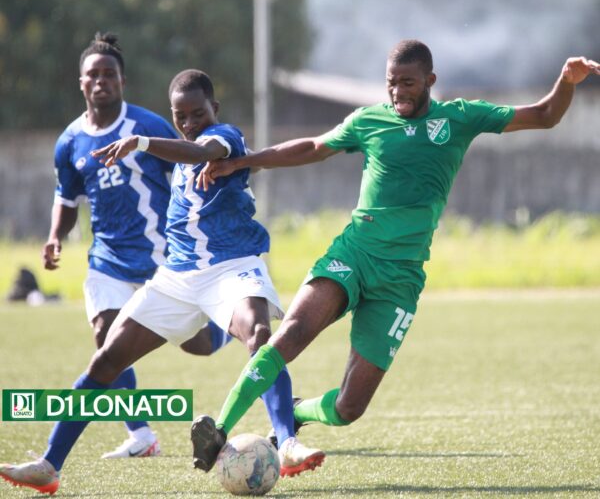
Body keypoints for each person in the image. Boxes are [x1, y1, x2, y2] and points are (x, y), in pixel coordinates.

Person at [186, 40, 600, 472]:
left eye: (408, 83)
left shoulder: (460, 117)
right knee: (290, 334)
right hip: (354, 253)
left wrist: (566, 82)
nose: (398, 92)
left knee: (349, 407)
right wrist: (243, 162)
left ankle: (296, 412)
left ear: (430, 81)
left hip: (400, 280)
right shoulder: (369, 120)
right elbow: (313, 147)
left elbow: (545, 115)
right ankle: (219, 429)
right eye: (391, 83)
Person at [0, 68, 323, 496]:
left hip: (232, 267)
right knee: (107, 358)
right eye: (180, 116)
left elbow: (202, 150)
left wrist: (142, 142)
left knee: (260, 335)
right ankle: (48, 465)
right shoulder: (169, 154)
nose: (189, 123)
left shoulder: (224, 136)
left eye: (197, 113)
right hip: (177, 276)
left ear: (214, 109)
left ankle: (288, 442)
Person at [38, 33, 232, 463]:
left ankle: (230, 324)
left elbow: (191, 165)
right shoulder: (70, 141)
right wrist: (55, 236)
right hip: (106, 259)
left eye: (109, 74)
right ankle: (141, 434)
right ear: (81, 82)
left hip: (160, 256)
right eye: (93, 74)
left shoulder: (147, 127)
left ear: (122, 81)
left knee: (198, 345)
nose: (101, 81)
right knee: (106, 339)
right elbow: (66, 199)